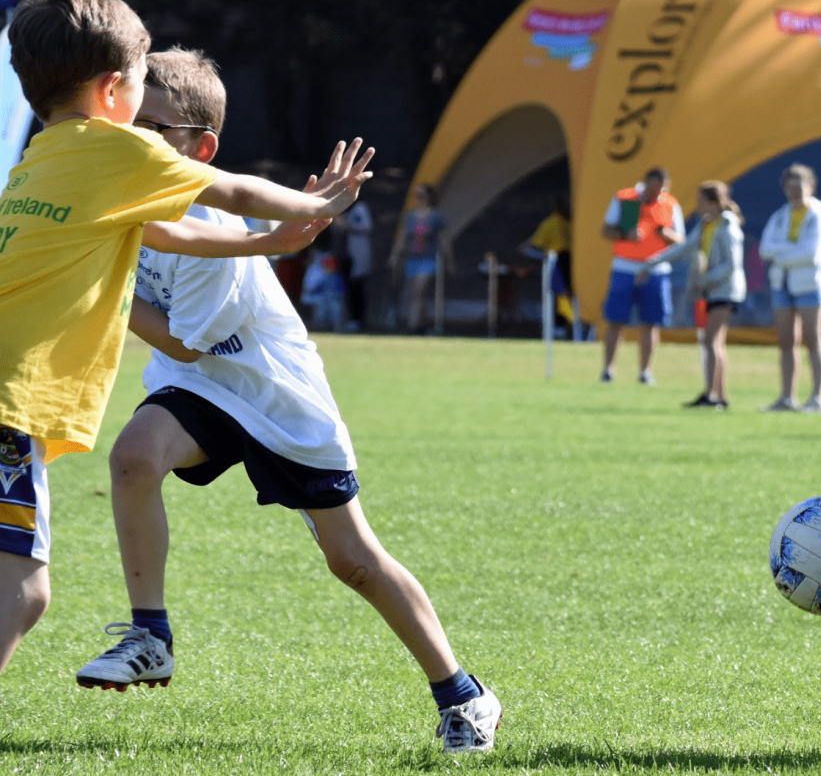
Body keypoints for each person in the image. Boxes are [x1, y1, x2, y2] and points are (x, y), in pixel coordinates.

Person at [72, 49, 501, 754]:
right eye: (124, 124)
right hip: (205, 386)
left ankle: (465, 694)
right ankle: (151, 634)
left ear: (199, 149)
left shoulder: (221, 227)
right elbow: (183, 355)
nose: (131, 142)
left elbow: (181, 340)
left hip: (275, 395)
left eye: (152, 130)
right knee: (133, 457)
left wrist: (99, 285)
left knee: (353, 560)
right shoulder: (123, 198)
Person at [0, 0, 370, 676]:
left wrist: (263, 247)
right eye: (142, 79)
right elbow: (229, 189)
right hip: (7, 404)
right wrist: (314, 200)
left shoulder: (40, 160)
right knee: (19, 594)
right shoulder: (114, 147)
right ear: (114, 90)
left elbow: (163, 232)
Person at [637, 181, 745, 409]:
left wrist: (704, 280)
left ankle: (713, 395)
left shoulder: (728, 226)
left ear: (714, 202)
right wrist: (651, 263)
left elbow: (731, 265)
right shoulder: (706, 225)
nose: (697, 206)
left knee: (710, 340)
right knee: (715, 342)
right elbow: (684, 248)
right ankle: (717, 395)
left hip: (725, 290)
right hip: (710, 289)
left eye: (701, 201)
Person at [757, 163, 821, 414]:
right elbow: (765, 249)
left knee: (813, 339)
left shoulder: (819, 214)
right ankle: (787, 397)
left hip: (810, 284)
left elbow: (812, 252)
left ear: (810, 187)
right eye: (790, 188)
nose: (795, 193)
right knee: (786, 341)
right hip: (783, 283)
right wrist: (788, 253)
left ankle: (817, 398)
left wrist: (781, 253)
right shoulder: (780, 215)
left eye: (799, 188)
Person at [599, 167, 685, 384]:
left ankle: (645, 371)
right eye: (654, 188)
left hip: (655, 270)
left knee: (650, 322)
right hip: (625, 267)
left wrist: (667, 234)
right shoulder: (626, 199)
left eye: (661, 189)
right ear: (645, 182)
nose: (656, 194)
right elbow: (606, 230)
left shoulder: (669, 204)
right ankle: (608, 369)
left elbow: (681, 240)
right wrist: (625, 233)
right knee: (616, 320)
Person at [389, 184, 449, 333]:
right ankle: (423, 324)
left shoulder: (435, 216)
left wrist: (449, 260)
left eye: (421, 195)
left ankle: (412, 327)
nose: (418, 199)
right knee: (414, 294)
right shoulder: (409, 216)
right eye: (416, 196)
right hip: (411, 259)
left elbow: (443, 240)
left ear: (429, 197)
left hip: (428, 259)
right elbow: (402, 238)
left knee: (418, 291)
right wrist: (395, 255)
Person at [519, 200, 574, 336]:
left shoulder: (552, 221)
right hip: (569, 260)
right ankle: (566, 325)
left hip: (559, 260)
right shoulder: (570, 221)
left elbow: (534, 243)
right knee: (565, 293)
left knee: (557, 294)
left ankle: (559, 327)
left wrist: (524, 249)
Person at [337, 199, 374, 330]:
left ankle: (359, 319)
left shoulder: (359, 208)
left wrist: (348, 225)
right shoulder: (342, 209)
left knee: (357, 287)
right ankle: (351, 318)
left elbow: (367, 226)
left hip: (358, 254)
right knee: (348, 288)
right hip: (346, 255)